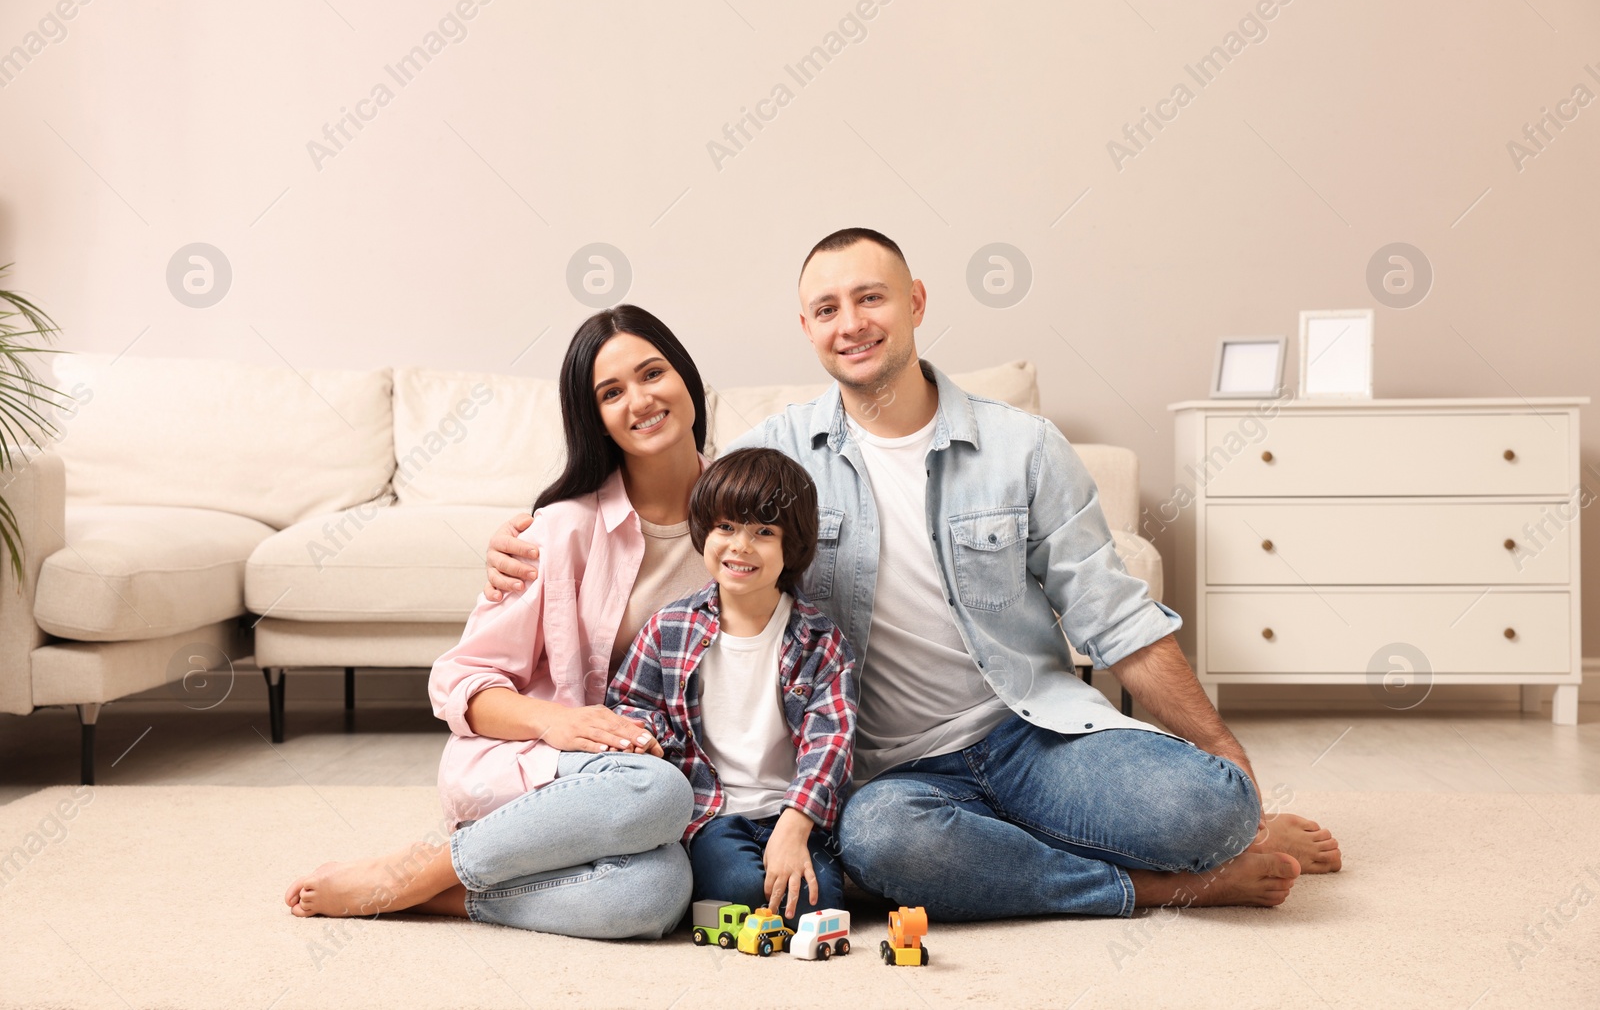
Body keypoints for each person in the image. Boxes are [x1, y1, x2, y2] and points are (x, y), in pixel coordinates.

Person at [483, 228, 1342, 921]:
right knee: (885, 846)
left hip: (1031, 734)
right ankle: (1157, 886)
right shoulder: (781, 454)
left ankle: (1101, 845)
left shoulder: (1022, 446)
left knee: (1212, 808)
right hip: (894, 774)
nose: (851, 321)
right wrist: (537, 529)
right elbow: (682, 494)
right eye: (827, 307)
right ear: (808, 329)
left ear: (915, 302)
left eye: (870, 297)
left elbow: (1115, 618)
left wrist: (1226, 755)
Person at [285, 304, 726, 938]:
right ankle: (417, 871)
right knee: (653, 791)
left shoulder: (749, 514)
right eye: (611, 392)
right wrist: (563, 721)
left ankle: (441, 896)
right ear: (594, 418)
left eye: (652, 373)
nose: (640, 400)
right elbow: (460, 682)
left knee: (655, 895)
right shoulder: (557, 532)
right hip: (565, 770)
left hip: (684, 782)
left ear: (684, 378)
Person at [607, 447, 857, 920]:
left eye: (764, 532)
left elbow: (832, 742)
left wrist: (797, 822)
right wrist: (648, 738)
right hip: (712, 815)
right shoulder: (670, 628)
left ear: (793, 546)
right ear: (705, 534)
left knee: (815, 902)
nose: (740, 545)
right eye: (726, 527)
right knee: (742, 890)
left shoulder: (820, 641)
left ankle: (788, 853)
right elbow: (627, 701)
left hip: (795, 815)